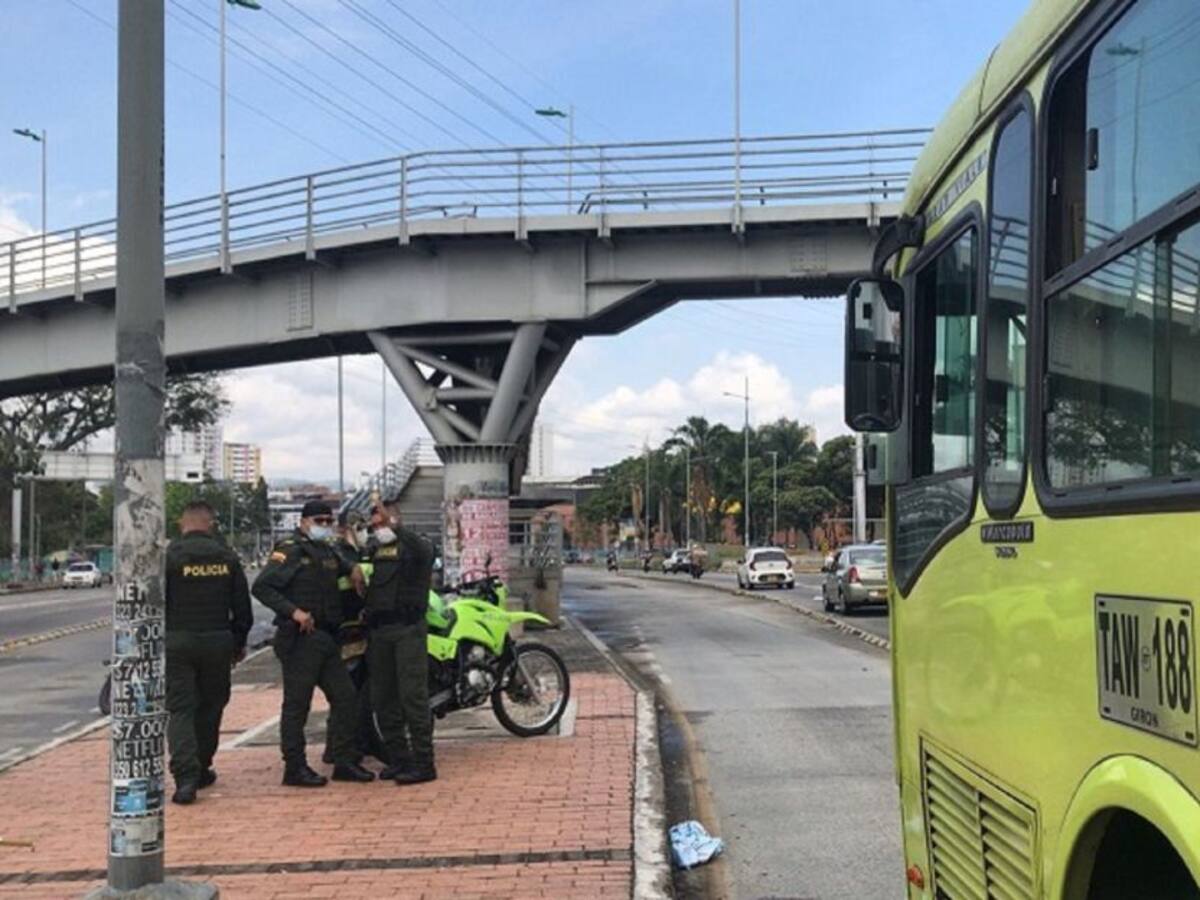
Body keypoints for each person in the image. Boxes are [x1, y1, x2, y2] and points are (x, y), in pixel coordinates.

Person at [252, 500, 375, 787]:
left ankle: (343, 761)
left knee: (346, 699)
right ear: (304, 521)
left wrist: (354, 567)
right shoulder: (290, 549)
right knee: (297, 706)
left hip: (327, 637)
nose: (324, 525)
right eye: (319, 520)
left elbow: (344, 564)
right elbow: (262, 586)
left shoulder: (327, 549)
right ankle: (294, 767)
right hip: (300, 638)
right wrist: (293, 612)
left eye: (328, 520)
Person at [164, 501, 252, 805]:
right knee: (212, 705)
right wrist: (238, 642)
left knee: (181, 709)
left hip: (177, 640)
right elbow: (242, 606)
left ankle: (185, 778)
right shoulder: (226, 557)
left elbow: (155, 603)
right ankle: (202, 767)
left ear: (181, 523)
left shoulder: (169, 557)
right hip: (217, 640)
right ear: (211, 524)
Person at [362, 496, 437, 784]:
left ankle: (423, 763)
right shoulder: (376, 547)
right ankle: (399, 758)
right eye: (373, 521)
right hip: (380, 632)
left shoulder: (415, 545)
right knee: (383, 699)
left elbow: (426, 552)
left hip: (407, 630)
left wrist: (396, 527)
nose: (374, 525)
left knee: (412, 698)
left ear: (394, 519)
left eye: (379, 520)